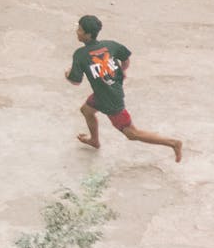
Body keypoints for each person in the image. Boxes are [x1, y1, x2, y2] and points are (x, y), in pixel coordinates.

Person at [65, 15, 182, 162]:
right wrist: (122, 71)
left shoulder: (80, 55)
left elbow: (75, 81)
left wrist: (67, 73)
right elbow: (125, 59)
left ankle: (173, 143)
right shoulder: (111, 45)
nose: (77, 32)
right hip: (103, 93)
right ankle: (95, 141)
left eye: (80, 30)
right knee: (86, 110)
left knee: (132, 134)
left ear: (88, 34)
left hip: (110, 101)